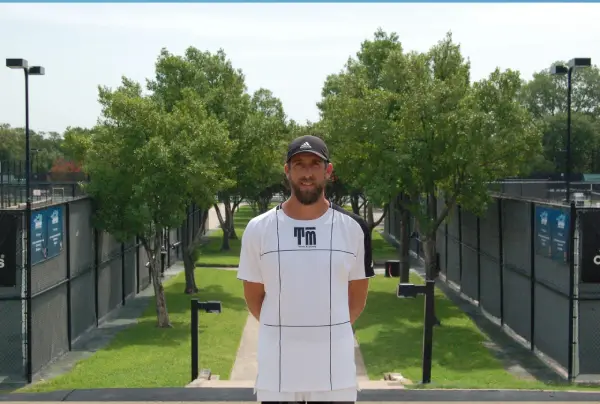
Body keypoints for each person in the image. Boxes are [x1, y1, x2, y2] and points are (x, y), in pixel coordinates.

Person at [237, 135, 374, 403]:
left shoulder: (354, 229)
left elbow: (356, 300)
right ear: (287, 170)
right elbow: (254, 299)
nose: (307, 173)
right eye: (299, 164)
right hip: (277, 373)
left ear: (328, 171)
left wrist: (324, 332)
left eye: (315, 164)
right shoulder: (258, 229)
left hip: (336, 374)